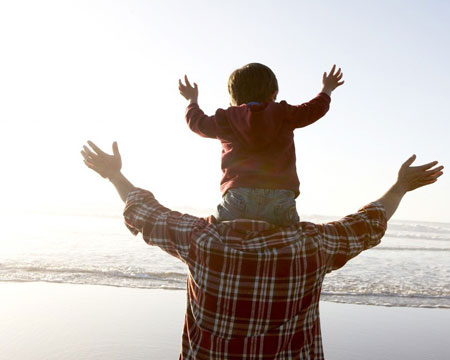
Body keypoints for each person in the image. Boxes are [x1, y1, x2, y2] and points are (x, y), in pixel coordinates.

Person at [81, 141, 443, 359]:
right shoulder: (309, 247)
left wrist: (113, 175)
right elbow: (369, 222)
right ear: (288, 209)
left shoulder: (203, 241)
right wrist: (400, 187)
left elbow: (144, 212)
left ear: (228, 204)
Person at [178, 63, 344, 226]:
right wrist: (327, 88)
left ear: (233, 97)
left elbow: (197, 123)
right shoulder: (284, 113)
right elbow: (314, 109)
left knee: (213, 229)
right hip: (281, 198)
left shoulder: (226, 118)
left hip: (238, 197)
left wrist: (192, 100)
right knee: (292, 234)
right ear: (274, 93)